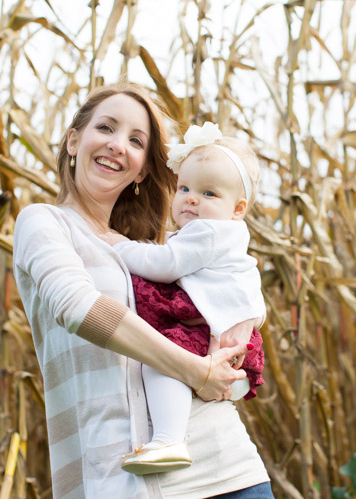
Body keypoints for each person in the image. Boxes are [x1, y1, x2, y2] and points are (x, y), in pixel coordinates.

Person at [13, 82, 274, 499]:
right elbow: (78, 307)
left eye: (136, 140)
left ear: (143, 169)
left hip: (224, 466)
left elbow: (234, 286)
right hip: (119, 477)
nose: (118, 145)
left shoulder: (156, 248)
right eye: (106, 128)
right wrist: (194, 370)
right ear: (74, 140)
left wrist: (242, 328)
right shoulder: (43, 223)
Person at [101, 122, 266, 475]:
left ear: (238, 207)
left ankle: (168, 439)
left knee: (161, 359)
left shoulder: (208, 232)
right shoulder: (227, 235)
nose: (191, 198)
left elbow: (165, 264)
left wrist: (122, 247)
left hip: (210, 337)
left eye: (209, 194)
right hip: (228, 342)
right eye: (186, 188)